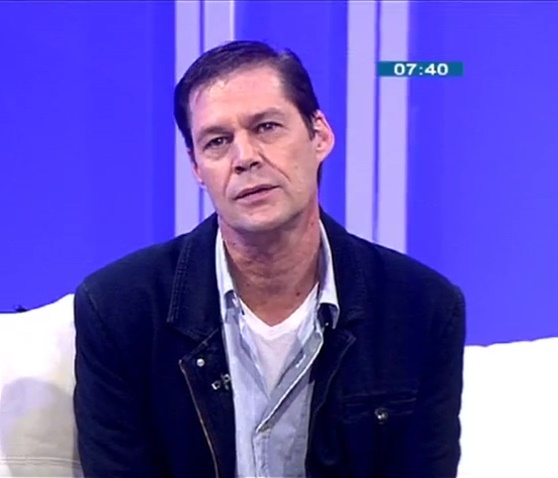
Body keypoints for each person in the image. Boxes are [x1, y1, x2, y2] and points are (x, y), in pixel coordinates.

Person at [73, 40, 466, 478]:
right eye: (218, 141)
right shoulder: (119, 311)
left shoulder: (421, 309)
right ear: (197, 168)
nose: (245, 158)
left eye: (266, 127)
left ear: (320, 135)